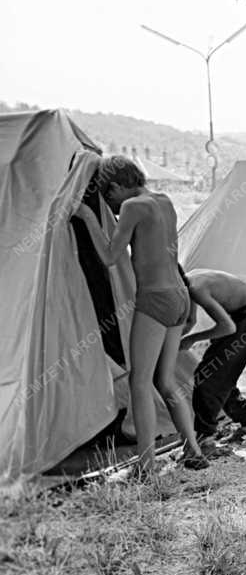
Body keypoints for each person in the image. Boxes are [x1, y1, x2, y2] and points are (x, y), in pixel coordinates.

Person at [73, 155, 208, 474]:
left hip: (156, 299)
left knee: (139, 382)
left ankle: (146, 466)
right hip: (179, 296)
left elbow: (108, 256)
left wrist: (87, 216)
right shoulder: (164, 202)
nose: (111, 205)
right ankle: (194, 449)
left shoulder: (133, 207)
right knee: (165, 380)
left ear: (118, 186)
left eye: (109, 196)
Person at [180, 268, 246, 441]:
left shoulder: (196, 288)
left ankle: (205, 439)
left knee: (208, 376)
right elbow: (191, 321)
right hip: (241, 315)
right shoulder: (189, 281)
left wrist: (193, 339)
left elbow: (227, 327)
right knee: (221, 373)